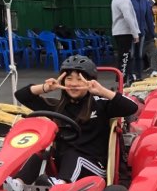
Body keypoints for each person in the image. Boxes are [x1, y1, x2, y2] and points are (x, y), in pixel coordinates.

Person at [14, 55, 139, 183]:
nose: (73, 84)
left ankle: (60, 186)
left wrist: (102, 91)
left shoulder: (101, 104)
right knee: (39, 155)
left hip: (94, 165)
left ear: (90, 81)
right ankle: (18, 184)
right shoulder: (57, 106)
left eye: (80, 79)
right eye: (69, 79)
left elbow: (132, 107)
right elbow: (21, 95)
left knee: (73, 155)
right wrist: (46, 88)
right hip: (63, 163)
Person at [111, 0, 141, 84]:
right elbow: (128, 17)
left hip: (120, 32)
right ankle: (122, 81)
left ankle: (122, 80)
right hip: (124, 32)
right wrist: (135, 33)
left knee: (123, 57)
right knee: (124, 57)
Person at [129, 0, 150, 81]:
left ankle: (139, 75)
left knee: (140, 55)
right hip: (131, 32)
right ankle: (130, 75)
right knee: (131, 55)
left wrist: (151, 32)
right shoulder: (128, 0)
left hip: (142, 32)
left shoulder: (145, 0)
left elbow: (148, 17)